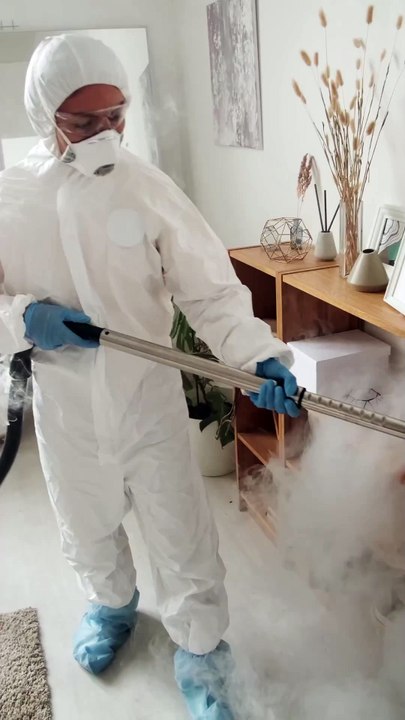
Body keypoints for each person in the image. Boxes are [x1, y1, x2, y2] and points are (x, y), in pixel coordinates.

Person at [0, 34, 299, 720]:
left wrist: (257, 355)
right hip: (66, 405)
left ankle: (202, 651)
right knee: (85, 523)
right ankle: (110, 606)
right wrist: (24, 318)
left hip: (147, 398)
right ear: (45, 115)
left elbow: (209, 289)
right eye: (84, 121)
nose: (106, 133)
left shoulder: (146, 187)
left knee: (180, 532)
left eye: (116, 115)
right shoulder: (9, 200)